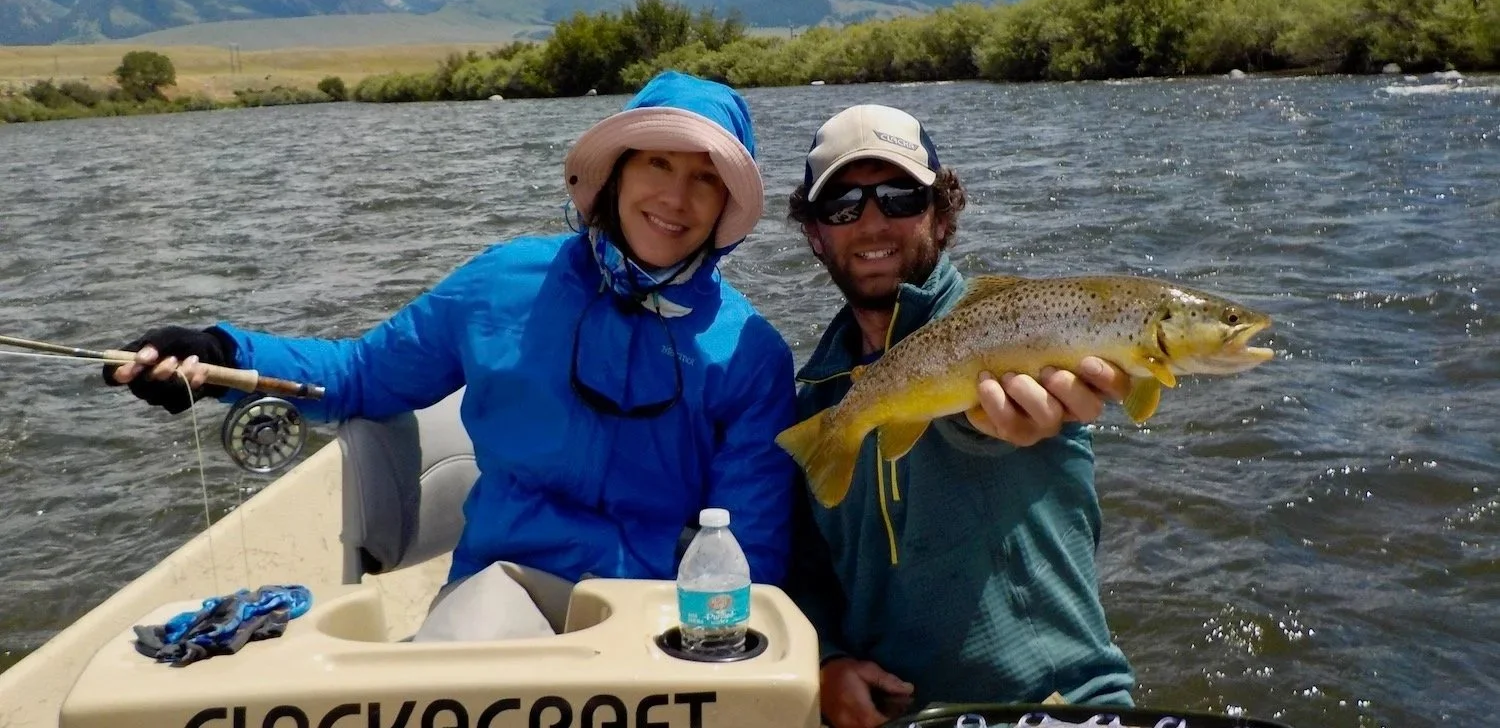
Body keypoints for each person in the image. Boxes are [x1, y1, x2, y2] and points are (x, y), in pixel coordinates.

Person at [105, 70, 797, 642]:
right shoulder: (501, 284)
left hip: (659, 608)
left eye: (705, 178)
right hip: (507, 580)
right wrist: (222, 356)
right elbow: (361, 375)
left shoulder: (751, 355)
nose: (675, 196)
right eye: (658, 162)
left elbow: (753, 555)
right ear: (616, 174)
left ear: (724, 206)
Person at [784, 103, 1137, 728]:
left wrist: (999, 424)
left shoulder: (1028, 333)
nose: (871, 223)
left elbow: (995, 426)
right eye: (842, 205)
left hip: (1059, 710)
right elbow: (805, 567)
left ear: (942, 217)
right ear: (815, 233)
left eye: (898, 197)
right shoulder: (817, 396)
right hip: (895, 714)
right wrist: (827, 660)